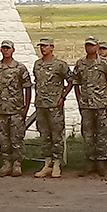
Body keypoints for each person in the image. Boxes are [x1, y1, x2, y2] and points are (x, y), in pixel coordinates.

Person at [0, 40, 32, 177]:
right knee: (2, 138)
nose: (6, 50)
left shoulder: (20, 68)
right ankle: (6, 163)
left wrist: (25, 107)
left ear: (13, 50)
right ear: (1, 50)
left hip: (16, 109)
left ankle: (17, 164)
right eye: (4, 48)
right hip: (0, 109)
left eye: (8, 48)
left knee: (16, 138)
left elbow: (27, 88)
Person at [32, 37, 73, 179]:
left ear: (52, 47)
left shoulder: (60, 65)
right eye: (41, 46)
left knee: (56, 135)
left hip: (54, 106)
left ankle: (57, 163)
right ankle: (47, 163)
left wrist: (63, 96)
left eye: (45, 46)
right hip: (41, 105)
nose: (42, 48)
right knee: (44, 135)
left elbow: (71, 80)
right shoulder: (37, 64)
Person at [73, 36, 107, 176]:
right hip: (86, 104)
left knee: (101, 133)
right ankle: (90, 161)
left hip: (100, 104)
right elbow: (76, 82)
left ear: (97, 47)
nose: (89, 48)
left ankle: (101, 161)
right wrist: (79, 99)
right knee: (88, 134)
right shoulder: (80, 63)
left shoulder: (105, 63)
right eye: (87, 45)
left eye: (92, 45)